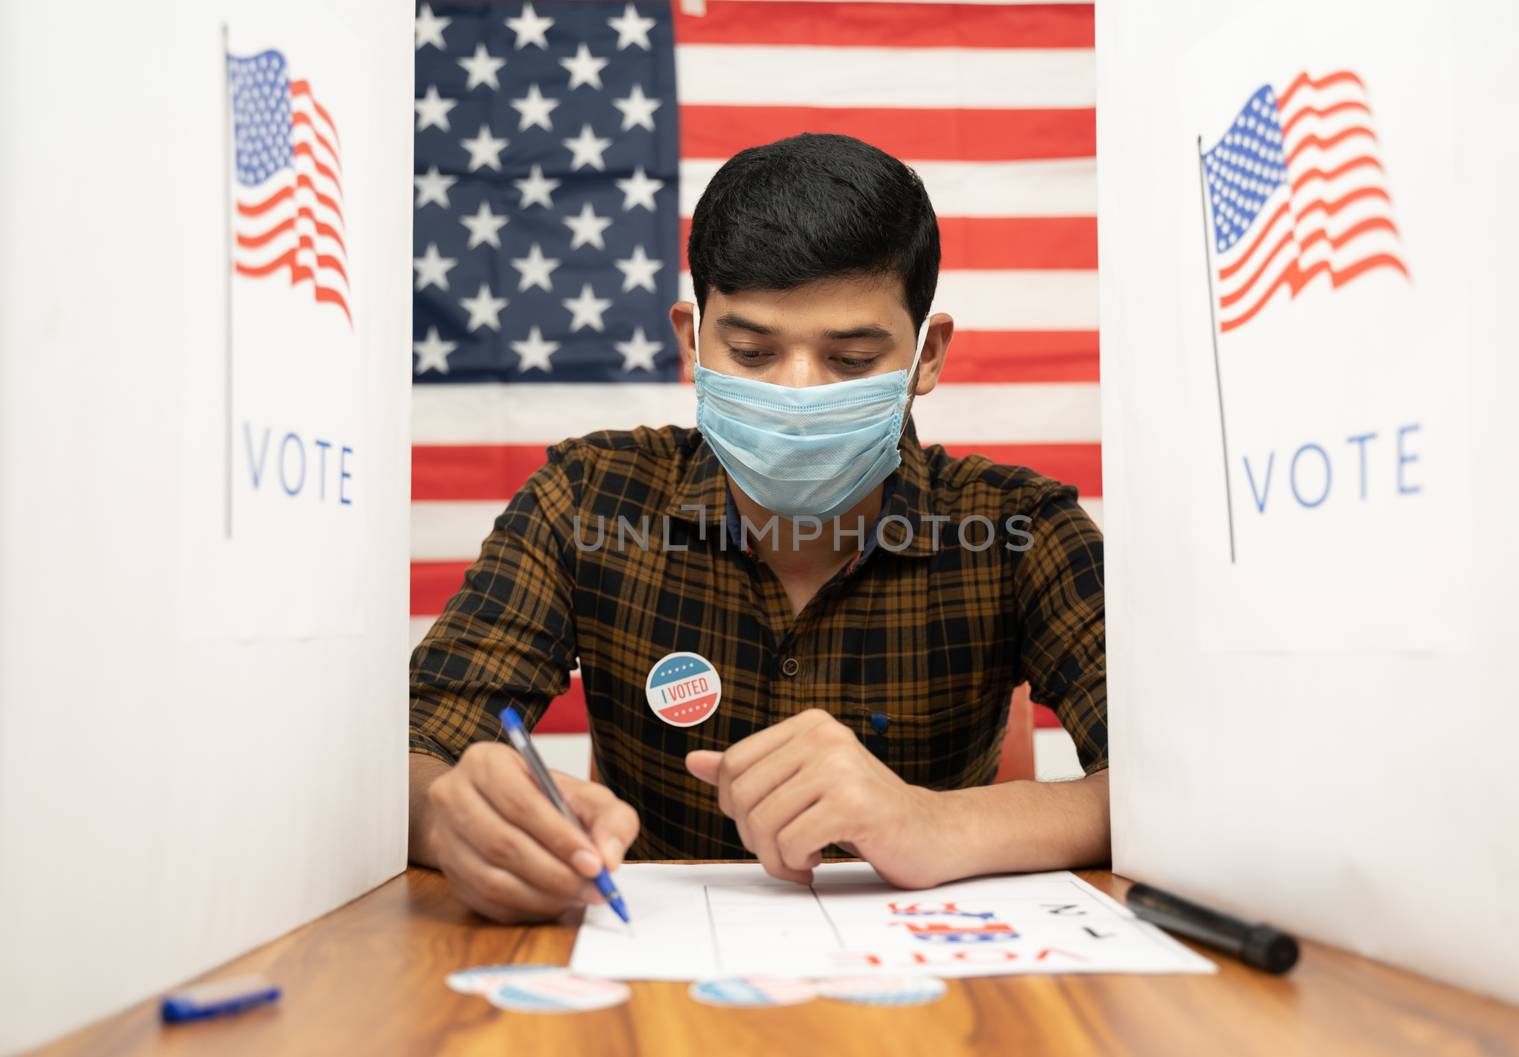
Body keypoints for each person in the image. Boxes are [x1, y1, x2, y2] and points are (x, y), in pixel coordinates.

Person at [407, 133, 1107, 923]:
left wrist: (937, 823)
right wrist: (452, 814)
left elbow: (1165, 783)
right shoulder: (586, 499)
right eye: (751, 351)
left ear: (928, 356)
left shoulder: (1021, 529)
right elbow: (417, 750)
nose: (798, 394)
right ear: (691, 341)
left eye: (849, 359)